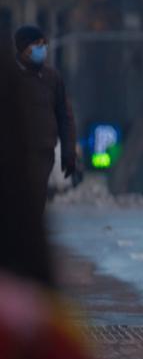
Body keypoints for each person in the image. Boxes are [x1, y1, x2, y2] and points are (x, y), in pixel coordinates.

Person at [12, 26, 76, 217]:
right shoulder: (9, 77)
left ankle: (26, 242)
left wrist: (68, 152)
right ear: (24, 48)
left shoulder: (52, 78)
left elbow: (64, 116)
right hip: (14, 154)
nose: (43, 49)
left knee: (35, 206)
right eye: (37, 45)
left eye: (44, 44)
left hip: (43, 154)